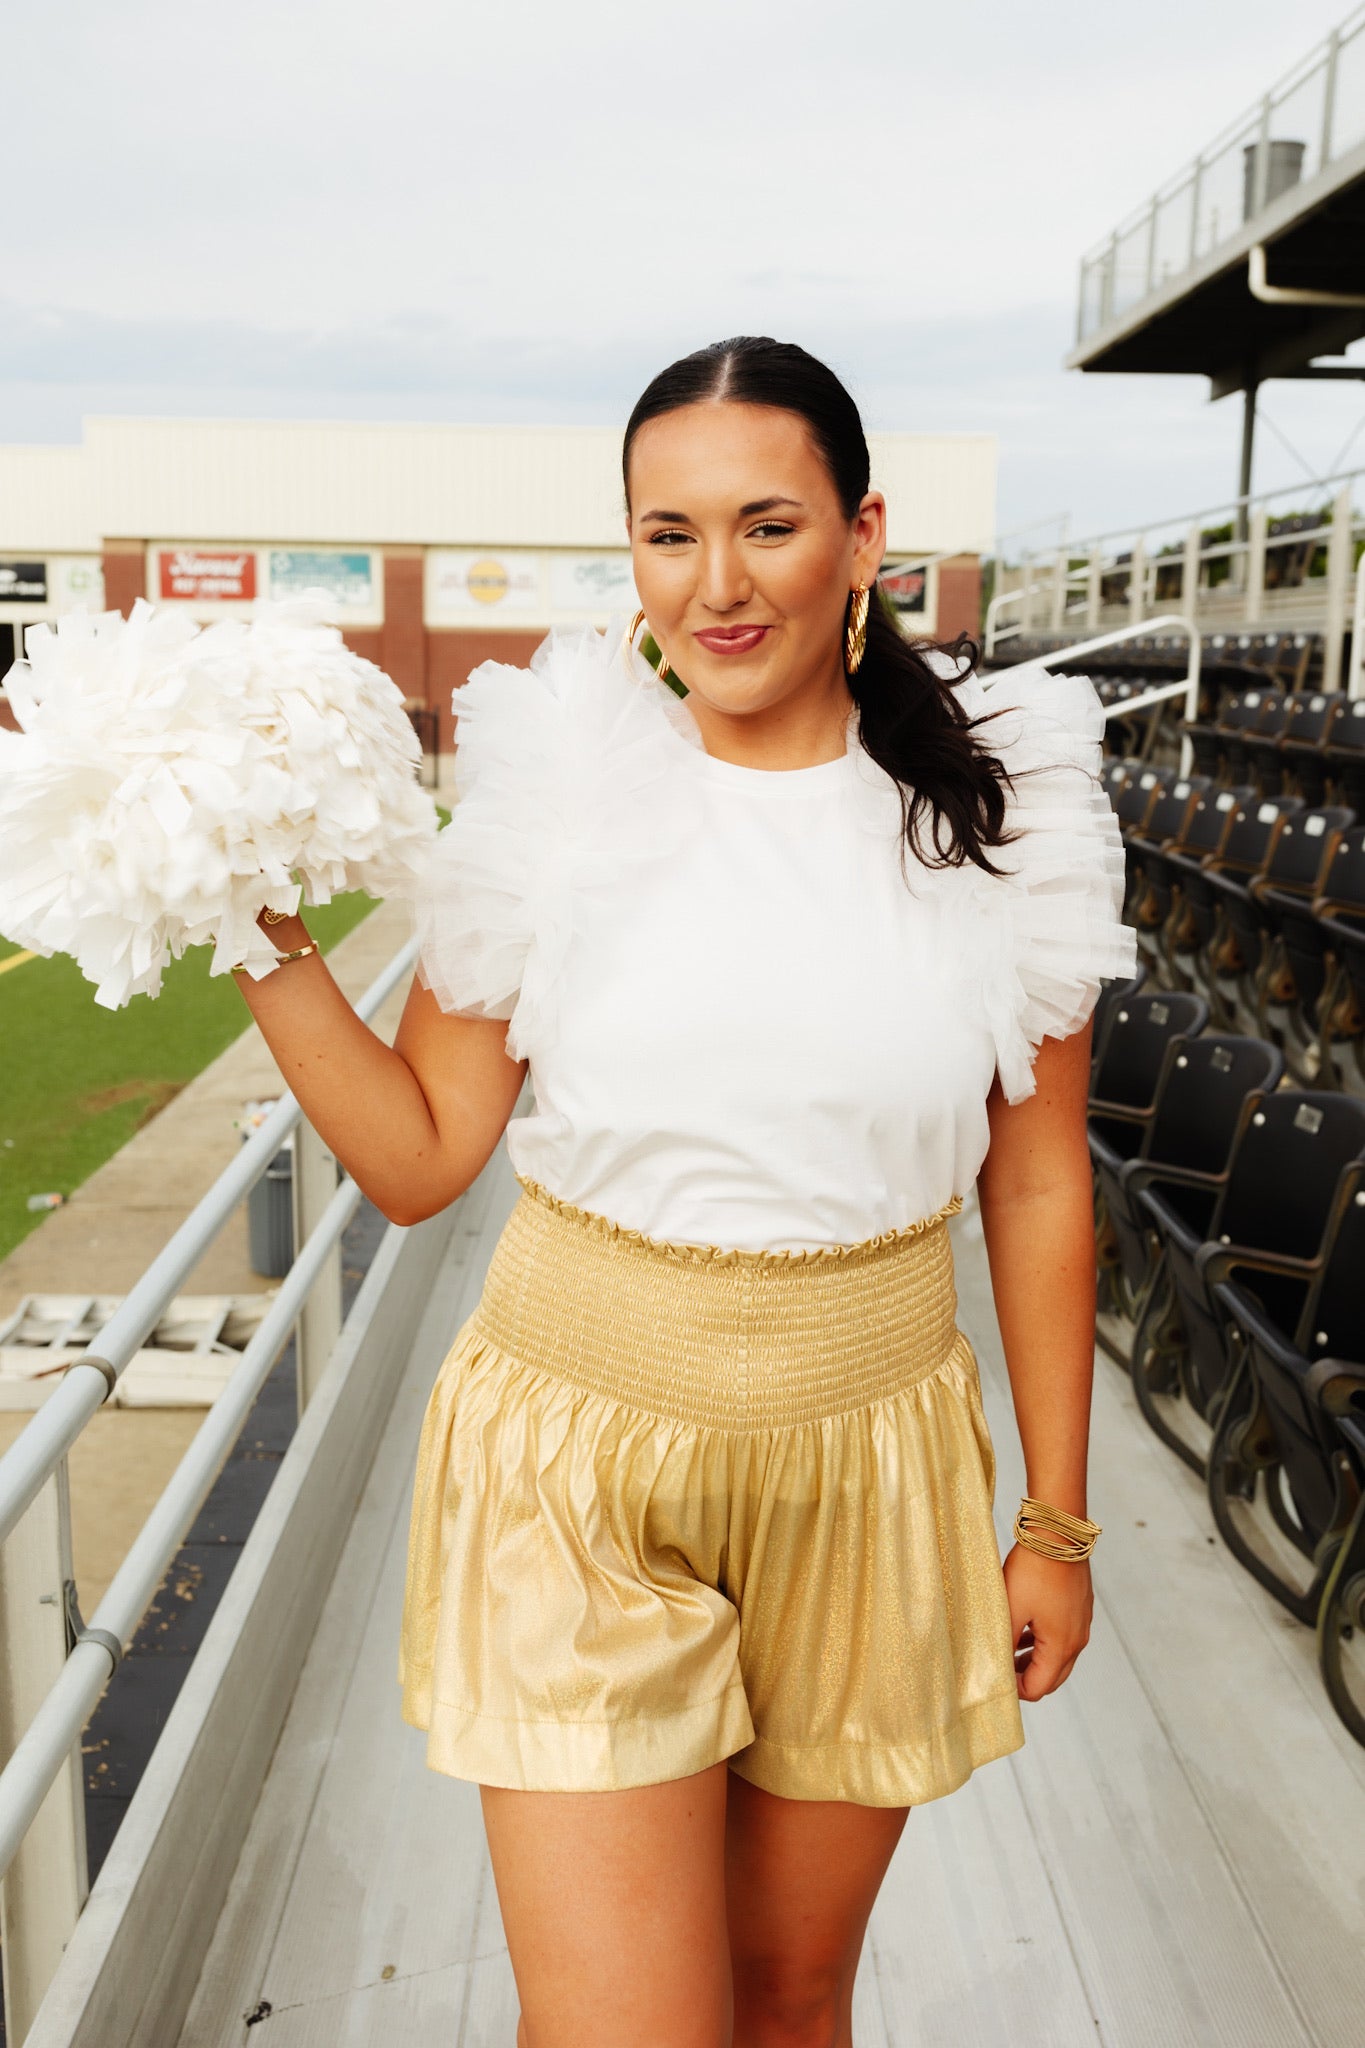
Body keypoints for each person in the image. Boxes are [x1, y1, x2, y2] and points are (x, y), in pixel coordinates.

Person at [232, 336, 1136, 2048]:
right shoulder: (561, 789)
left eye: (767, 525)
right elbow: (423, 1160)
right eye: (667, 535)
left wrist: (1057, 1522)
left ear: (864, 536)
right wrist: (252, 932)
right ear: (629, 554)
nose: (715, 586)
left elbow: (1032, 1191)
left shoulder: (1001, 811)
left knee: (788, 2005)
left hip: (868, 1456)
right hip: (576, 1458)